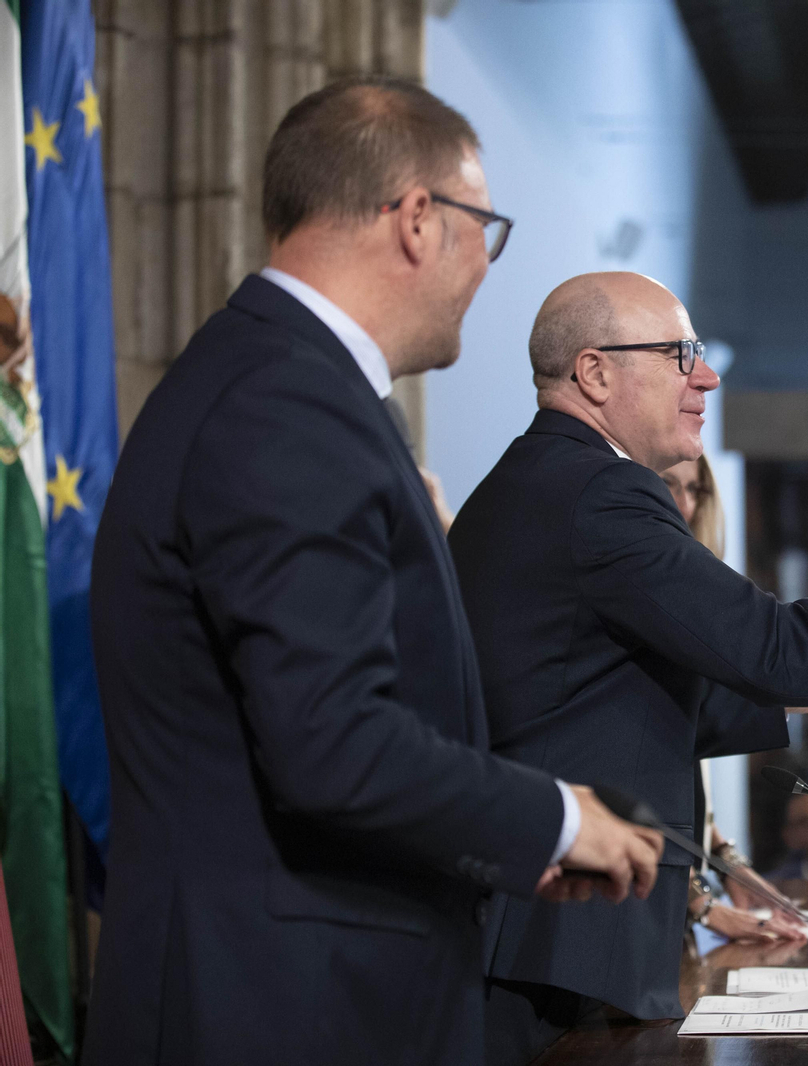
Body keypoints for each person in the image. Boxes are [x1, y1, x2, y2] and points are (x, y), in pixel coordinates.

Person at [83, 79, 661, 1066]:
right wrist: (557, 819)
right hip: (275, 1008)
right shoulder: (286, 403)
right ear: (418, 219)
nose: (487, 263)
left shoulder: (277, 380)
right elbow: (334, 741)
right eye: (487, 226)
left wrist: (513, 848)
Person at [447, 271, 808, 1061]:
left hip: (546, 927)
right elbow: (773, 647)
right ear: (594, 373)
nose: (707, 375)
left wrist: (797, 688)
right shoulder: (600, 491)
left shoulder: (540, 481)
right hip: (561, 934)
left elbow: (600, 696)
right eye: (678, 354)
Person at [661, 455, 808, 945]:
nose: (682, 503)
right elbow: (632, 762)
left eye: (695, 489)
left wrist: (727, 860)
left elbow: (684, 762)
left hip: (675, 900)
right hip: (631, 902)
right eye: (666, 485)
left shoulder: (689, 593)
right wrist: (701, 906)